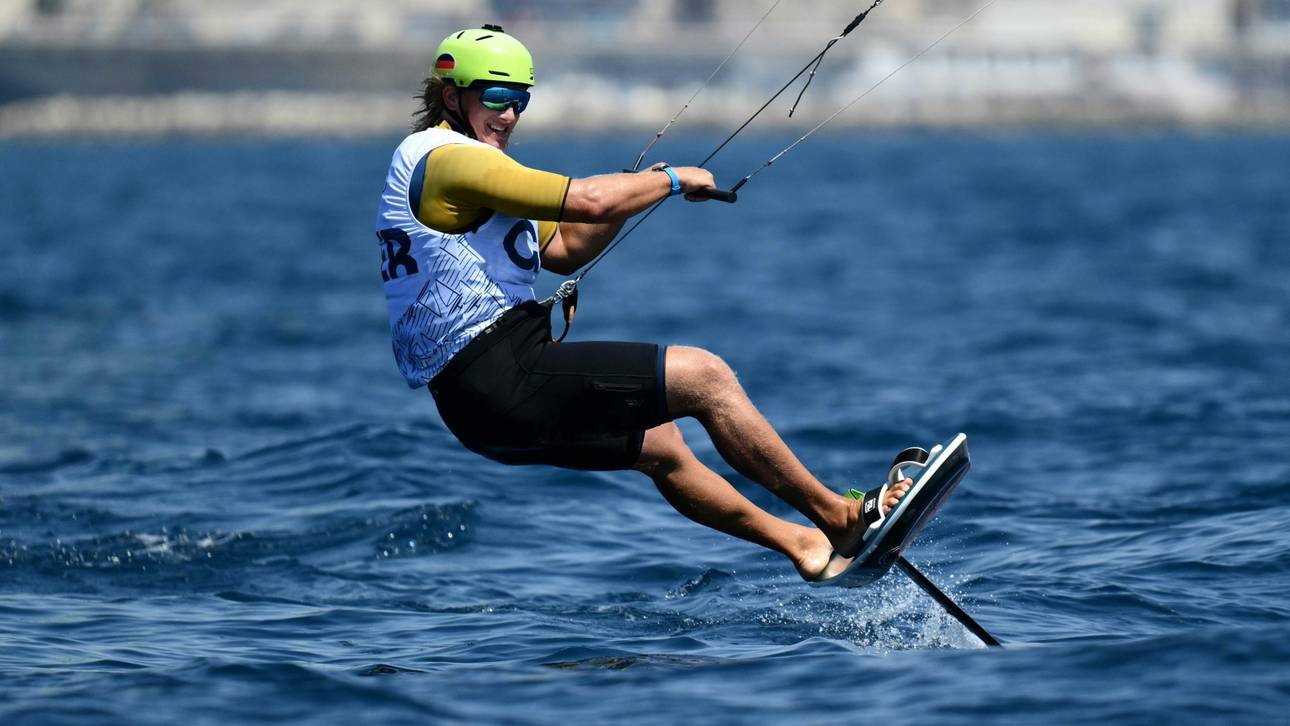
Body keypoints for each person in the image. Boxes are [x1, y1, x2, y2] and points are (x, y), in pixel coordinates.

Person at [375, 25, 910, 581]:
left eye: (520, 101)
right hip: (497, 373)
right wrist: (672, 181)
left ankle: (803, 544)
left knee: (663, 447)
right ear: (452, 97)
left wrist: (640, 191)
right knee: (706, 377)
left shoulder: (464, 172)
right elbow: (585, 199)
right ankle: (841, 514)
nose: (509, 115)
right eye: (495, 98)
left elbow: (564, 247)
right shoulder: (448, 161)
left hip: (473, 409)